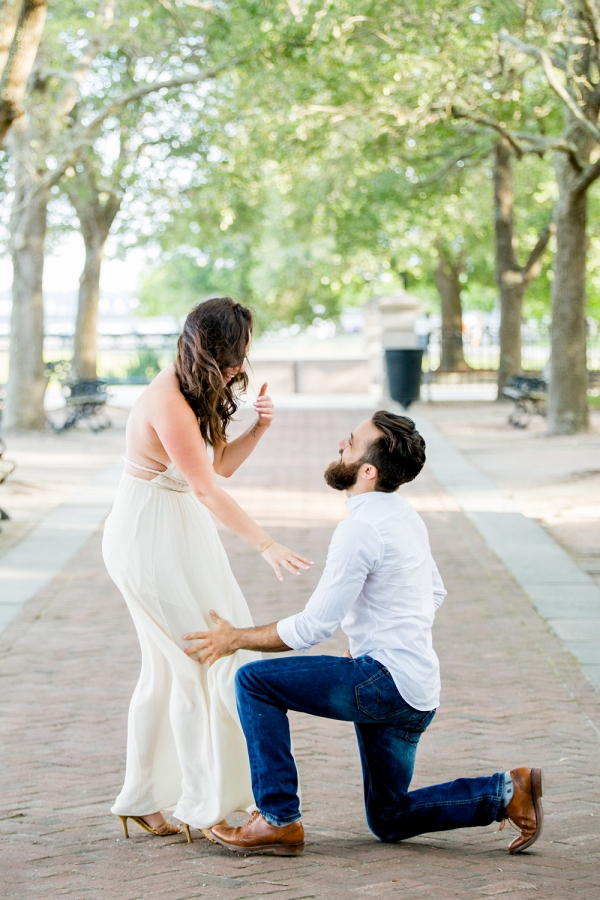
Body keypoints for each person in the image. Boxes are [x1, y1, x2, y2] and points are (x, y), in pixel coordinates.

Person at [183, 411, 544, 857]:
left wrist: (234, 638)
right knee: (389, 818)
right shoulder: (403, 514)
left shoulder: (359, 529)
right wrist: (388, 632)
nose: (341, 443)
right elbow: (435, 589)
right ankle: (506, 792)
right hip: (416, 691)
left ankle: (278, 820)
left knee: (254, 682)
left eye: (351, 443)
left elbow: (313, 627)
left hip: (385, 683)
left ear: (367, 471)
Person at [103, 297, 312, 841]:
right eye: (238, 353)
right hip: (148, 537)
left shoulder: (197, 389)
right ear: (214, 350)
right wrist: (265, 544)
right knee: (201, 659)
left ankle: (144, 798)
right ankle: (206, 803)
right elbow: (204, 487)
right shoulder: (168, 401)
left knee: (174, 667)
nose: (243, 365)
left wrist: (258, 430)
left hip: (178, 531)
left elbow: (217, 466)